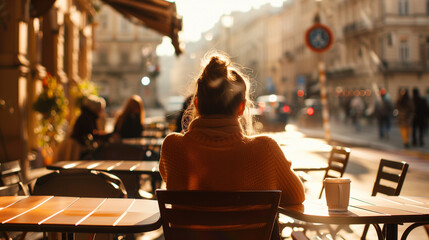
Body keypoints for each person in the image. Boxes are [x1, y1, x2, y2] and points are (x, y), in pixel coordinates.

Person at [159, 52, 305, 240]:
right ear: (241, 107)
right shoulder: (266, 149)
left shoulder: (173, 147)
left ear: (197, 103)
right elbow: (296, 196)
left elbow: (171, 179)